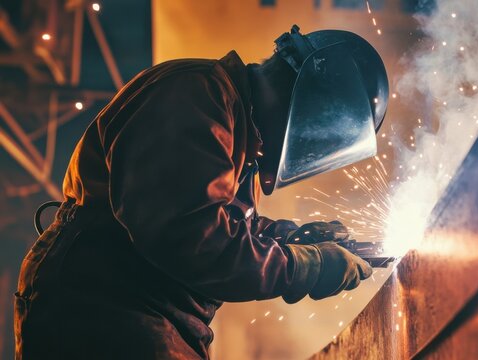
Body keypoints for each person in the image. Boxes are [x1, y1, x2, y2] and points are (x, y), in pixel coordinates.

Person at [14, 25, 388, 359]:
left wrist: (291, 237)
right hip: (100, 310)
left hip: (146, 316)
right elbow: (191, 236)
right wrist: (305, 265)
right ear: (306, 107)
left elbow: (221, 223)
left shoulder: (239, 127)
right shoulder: (197, 97)